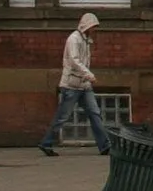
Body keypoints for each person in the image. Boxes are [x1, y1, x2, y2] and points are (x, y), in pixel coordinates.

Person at [37, 13, 109, 154]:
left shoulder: (86, 40)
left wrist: (87, 77)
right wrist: (89, 75)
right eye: (93, 27)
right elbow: (75, 61)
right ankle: (46, 143)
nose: (95, 30)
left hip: (84, 84)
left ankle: (105, 145)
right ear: (87, 26)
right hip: (71, 85)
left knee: (95, 113)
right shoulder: (74, 39)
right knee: (63, 116)